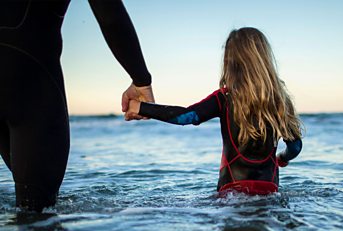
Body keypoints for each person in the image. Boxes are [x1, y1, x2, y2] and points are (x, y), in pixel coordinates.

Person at [0, 0, 154, 212]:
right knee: (34, 212)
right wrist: (141, 79)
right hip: (28, 79)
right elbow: (109, 14)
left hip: (22, 77)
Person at [126, 27, 302, 195]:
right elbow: (295, 146)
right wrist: (283, 159)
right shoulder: (280, 101)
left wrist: (142, 107)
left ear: (230, 63)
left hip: (231, 190)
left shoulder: (224, 98)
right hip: (269, 189)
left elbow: (186, 116)